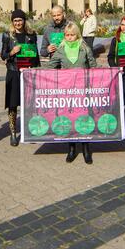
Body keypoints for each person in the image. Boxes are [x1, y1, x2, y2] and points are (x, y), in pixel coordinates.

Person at [45, 21, 98, 164]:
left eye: (72, 35)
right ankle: (72, 149)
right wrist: (31, 71)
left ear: (77, 35)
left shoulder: (84, 48)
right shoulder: (61, 49)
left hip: (82, 90)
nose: (69, 37)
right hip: (67, 91)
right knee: (69, 118)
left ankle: (86, 149)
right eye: (67, 35)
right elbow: (50, 66)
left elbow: (93, 66)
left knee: (84, 119)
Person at [1, 9, 39, 146]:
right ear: (12, 22)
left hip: (27, 73)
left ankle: (28, 131)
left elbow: (36, 54)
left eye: (20, 20)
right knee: (13, 104)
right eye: (15, 20)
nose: (18, 23)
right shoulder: (7, 36)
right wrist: (12, 51)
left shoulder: (31, 34)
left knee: (28, 103)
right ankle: (13, 133)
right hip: (13, 72)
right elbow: (3, 55)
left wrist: (35, 69)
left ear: (24, 21)